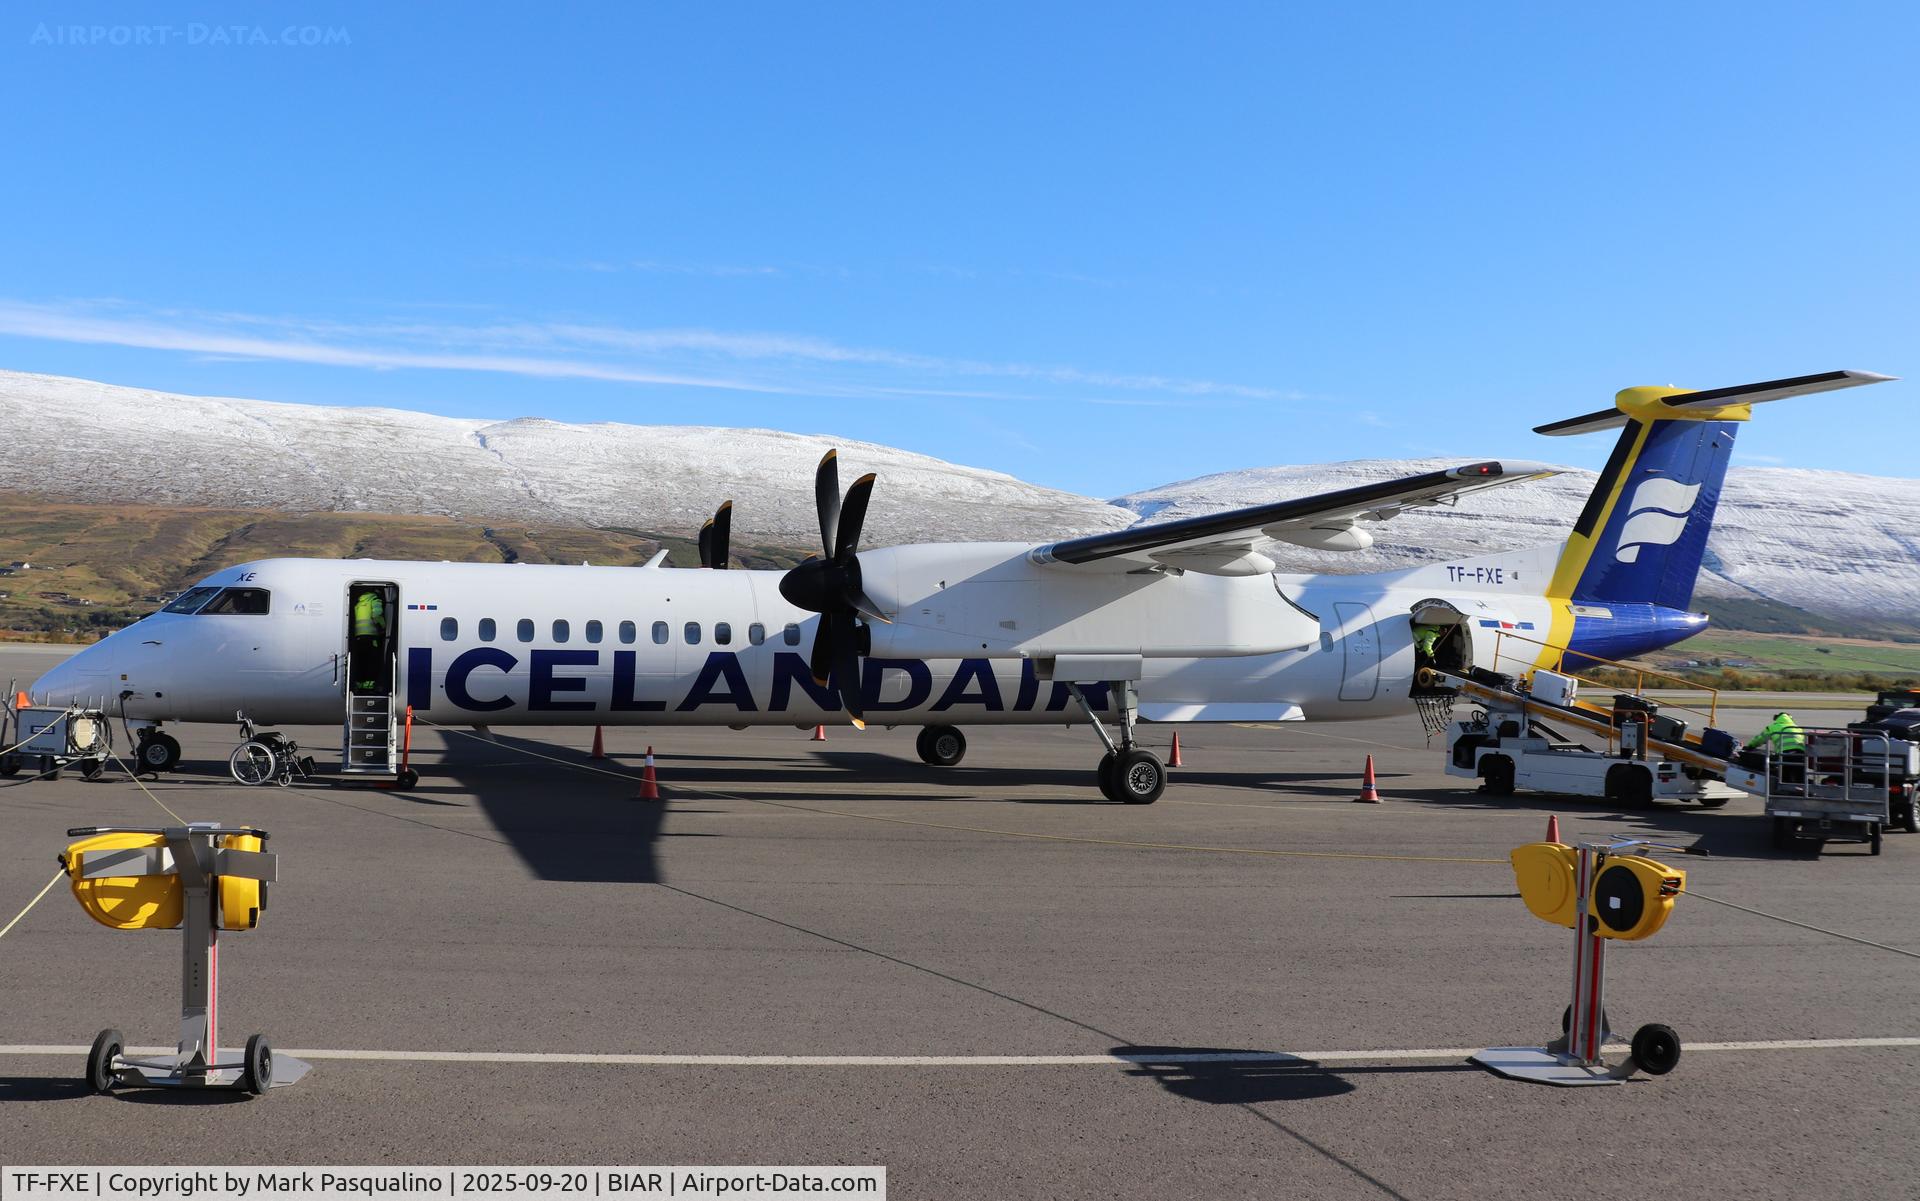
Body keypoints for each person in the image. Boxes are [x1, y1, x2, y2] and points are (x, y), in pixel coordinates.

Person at [350, 588, 388, 694]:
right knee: (372, 661)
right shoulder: (375, 600)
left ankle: (359, 684)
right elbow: (377, 615)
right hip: (371, 637)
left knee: (361, 661)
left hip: (358, 637)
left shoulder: (359, 602)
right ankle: (369, 687)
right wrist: (384, 628)